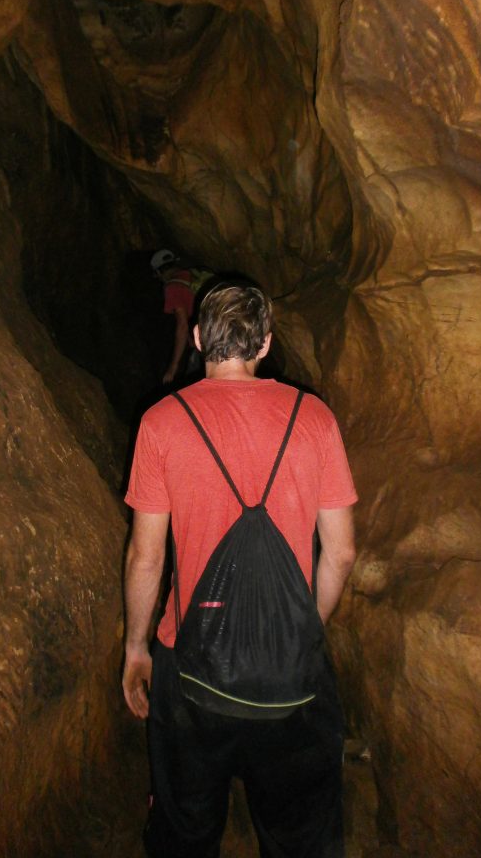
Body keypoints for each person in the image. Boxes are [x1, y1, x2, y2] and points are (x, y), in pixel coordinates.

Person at [122, 283, 357, 857]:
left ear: (199, 339)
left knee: (185, 833)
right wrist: (302, 625)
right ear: (267, 344)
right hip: (291, 685)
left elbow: (146, 557)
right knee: (300, 839)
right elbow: (342, 552)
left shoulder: (162, 422)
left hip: (193, 676)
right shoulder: (315, 418)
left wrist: (136, 649)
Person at [149, 248, 198, 384]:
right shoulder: (194, 276)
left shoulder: (173, 287)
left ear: (159, 272)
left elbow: (182, 326)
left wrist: (173, 367)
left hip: (207, 346)